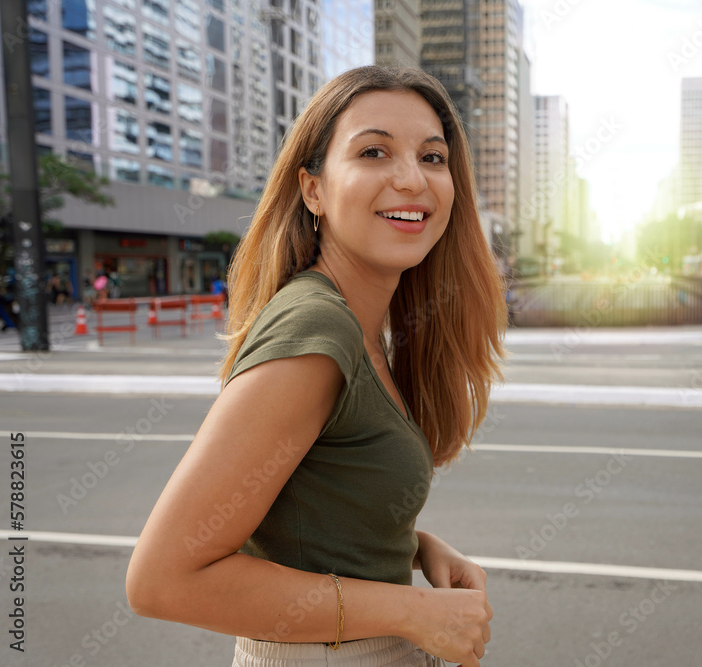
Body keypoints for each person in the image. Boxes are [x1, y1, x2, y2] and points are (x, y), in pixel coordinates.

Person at [126, 66, 506, 667]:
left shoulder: (362, 327)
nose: (412, 179)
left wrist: (415, 547)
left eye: (433, 158)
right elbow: (163, 580)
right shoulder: (316, 329)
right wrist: (409, 610)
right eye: (374, 152)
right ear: (313, 191)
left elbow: (305, 519)